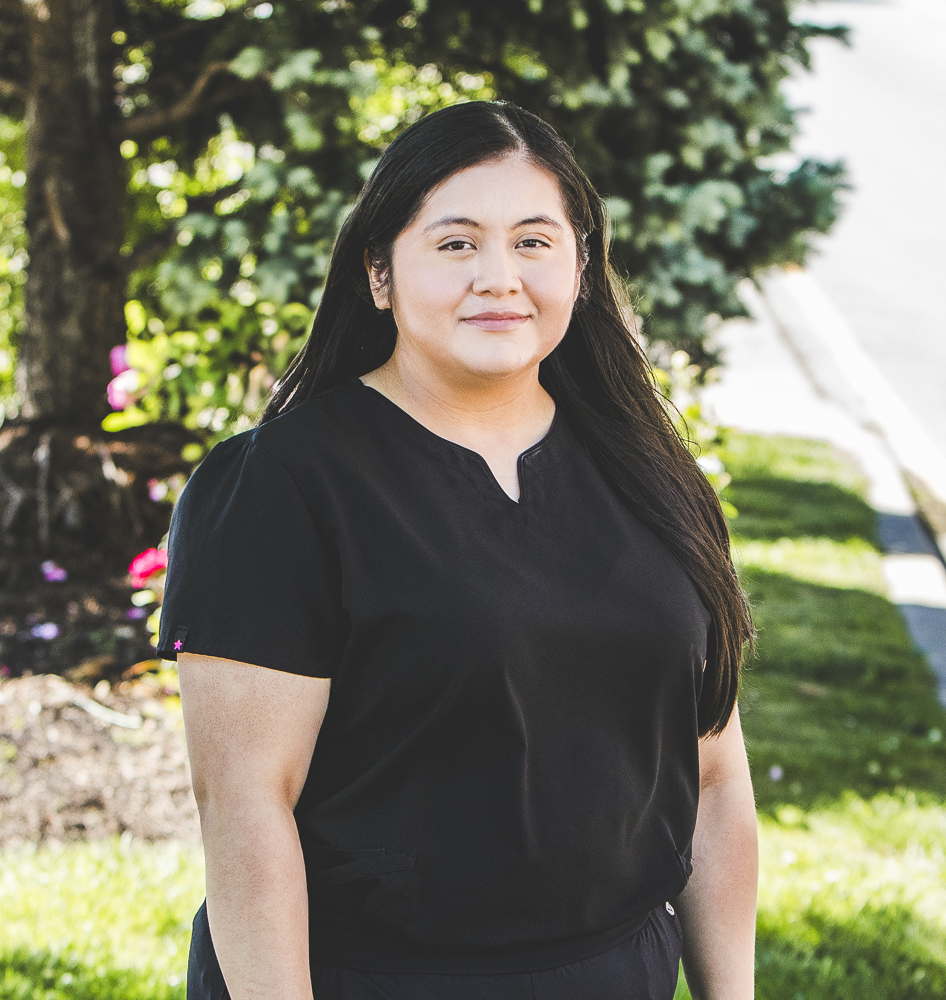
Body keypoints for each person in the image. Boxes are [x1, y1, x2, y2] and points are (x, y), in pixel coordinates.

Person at [157, 100, 758, 1000]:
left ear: (581, 269)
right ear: (379, 274)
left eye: (533, 241)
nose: (498, 277)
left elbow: (713, 779)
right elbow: (247, 807)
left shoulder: (653, 478)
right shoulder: (279, 488)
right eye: (454, 243)